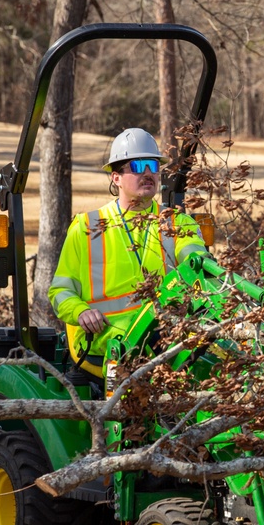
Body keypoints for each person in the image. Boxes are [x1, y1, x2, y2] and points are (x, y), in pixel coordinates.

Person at [48, 128, 208, 378]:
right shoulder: (86, 227)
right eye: (137, 165)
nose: (147, 173)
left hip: (165, 339)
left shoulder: (178, 224)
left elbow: (196, 261)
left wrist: (200, 264)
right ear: (116, 178)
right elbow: (60, 291)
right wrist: (81, 312)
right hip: (104, 341)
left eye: (153, 166)